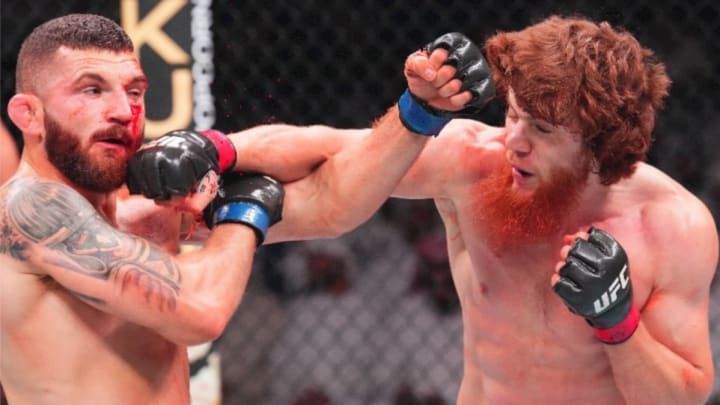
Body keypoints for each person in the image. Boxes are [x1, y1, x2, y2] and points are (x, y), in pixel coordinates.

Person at [130, 15, 719, 404]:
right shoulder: (476, 162)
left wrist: (618, 324)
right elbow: (328, 149)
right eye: (513, 114)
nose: (514, 140)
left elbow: (684, 396)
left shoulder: (672, 226)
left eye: (541, 130)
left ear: (600, 143)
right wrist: (217, 148)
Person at [0, 14, 487, 405]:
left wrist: (416, 112)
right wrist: (244, 211)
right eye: (92, 90)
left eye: (134, 91)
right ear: (29, 114)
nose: (123, 111)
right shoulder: (29, 211)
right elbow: (199, 311)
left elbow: (329, 204)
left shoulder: (144, 201)